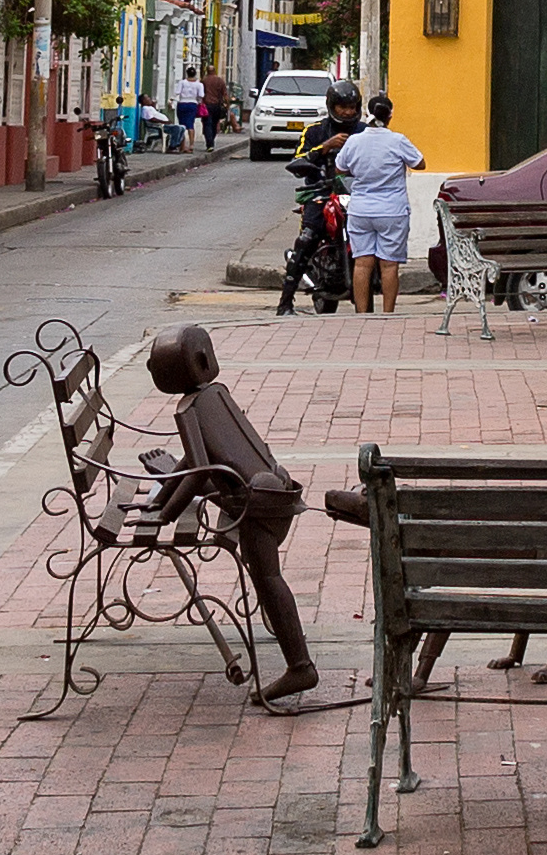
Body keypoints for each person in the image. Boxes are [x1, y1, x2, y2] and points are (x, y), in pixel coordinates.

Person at [139, 325, 323, 705]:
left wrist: (166, 513)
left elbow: (201, 470)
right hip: (274, 489)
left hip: (256, 504)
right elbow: (196, 462)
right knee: (266, 576)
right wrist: (167, 491)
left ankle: (300, 667)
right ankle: (296, 659)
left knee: (269, 579)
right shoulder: (217, 394)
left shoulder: (189, 408)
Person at [332, 100, 420, 313]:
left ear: (367, 114)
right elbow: (419, 163)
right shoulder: (398, 140)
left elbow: (339, 168)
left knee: (362, 264)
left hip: (360, 210)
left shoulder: (354, 141)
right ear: (390, 116)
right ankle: (387, 314)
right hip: (392, 211)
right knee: (389, 265)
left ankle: (363, 315)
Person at [272, 104, 353, 316]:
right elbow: (298, 159)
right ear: (332, 106)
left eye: (352, 107)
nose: (347, 112)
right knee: (306, 240)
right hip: (320, 195)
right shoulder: (315, 130)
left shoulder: (362, 131)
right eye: (342, 107)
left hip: (355, 195)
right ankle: (285, 303)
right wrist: (324, 147)